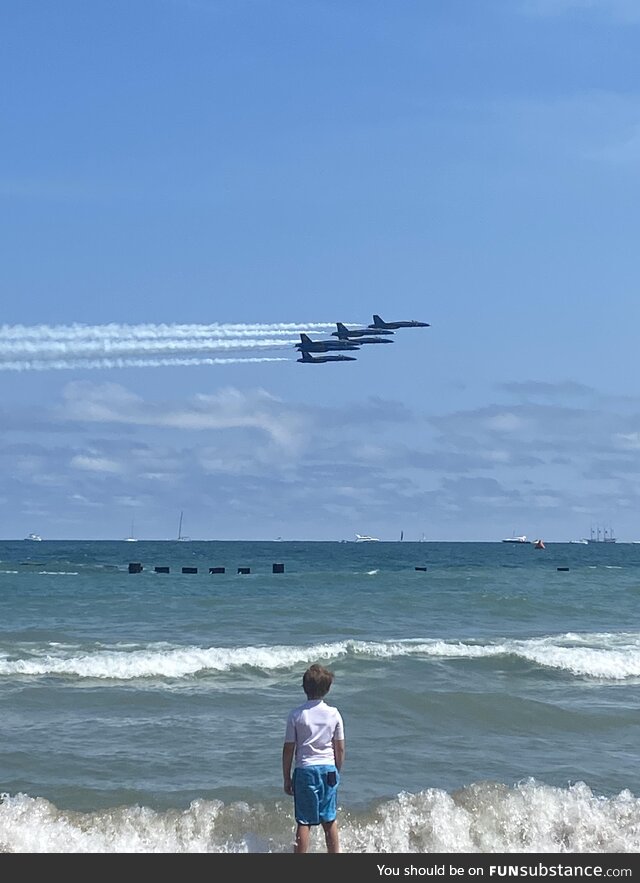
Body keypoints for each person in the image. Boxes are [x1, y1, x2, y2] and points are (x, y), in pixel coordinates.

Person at [282, 663, 345, 853]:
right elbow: (340, 748)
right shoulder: (334, 714)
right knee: (329, 819)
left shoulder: (296, 715)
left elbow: (288, 749)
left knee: (304, 821)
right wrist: (336, 769)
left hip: (305, 770)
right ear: (327, 689)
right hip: (328, 769)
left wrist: (287, 777)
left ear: (304, 688)